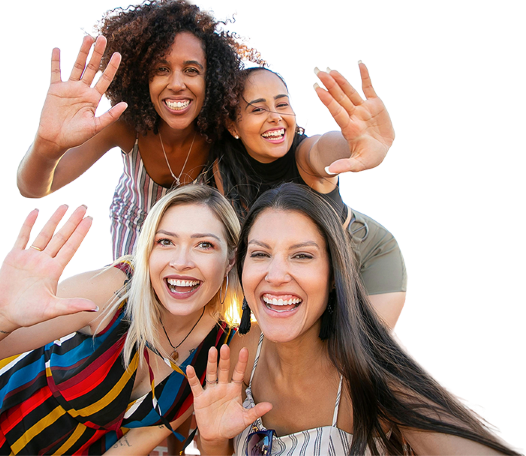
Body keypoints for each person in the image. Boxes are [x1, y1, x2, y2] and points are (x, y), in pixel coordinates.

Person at [185, 183, 523, 456]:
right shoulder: (240, 351)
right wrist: (213, 441)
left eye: (302, 256)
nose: (275, 275)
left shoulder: (370, 365)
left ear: (334, 274)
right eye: (260, 254)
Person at [0, 184, 241, 455]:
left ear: (230, 259)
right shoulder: (114, 292)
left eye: (204, 245)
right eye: (165, 242)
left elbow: (145, 434)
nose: (181, 261)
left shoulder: (220, 348)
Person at [16, 0, 267, 261]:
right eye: (161, 69)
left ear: (212, 80)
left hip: (195, 241)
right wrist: (46, 144)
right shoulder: (125, 127)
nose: (177, 83)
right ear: (141, 78)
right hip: (135, 233)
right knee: (131, 298)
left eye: (192, 70)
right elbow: (34, 188)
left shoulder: (223, 133)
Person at [208, 64, 407, 329]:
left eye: (282, 105)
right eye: (258, 109)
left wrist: (354, 144)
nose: (275, 116)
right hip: (307, 272)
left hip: (366, 256)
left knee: (359, 359)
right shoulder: (225, 168)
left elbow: (325, 149)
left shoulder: (305, 156)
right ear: (233, 124)